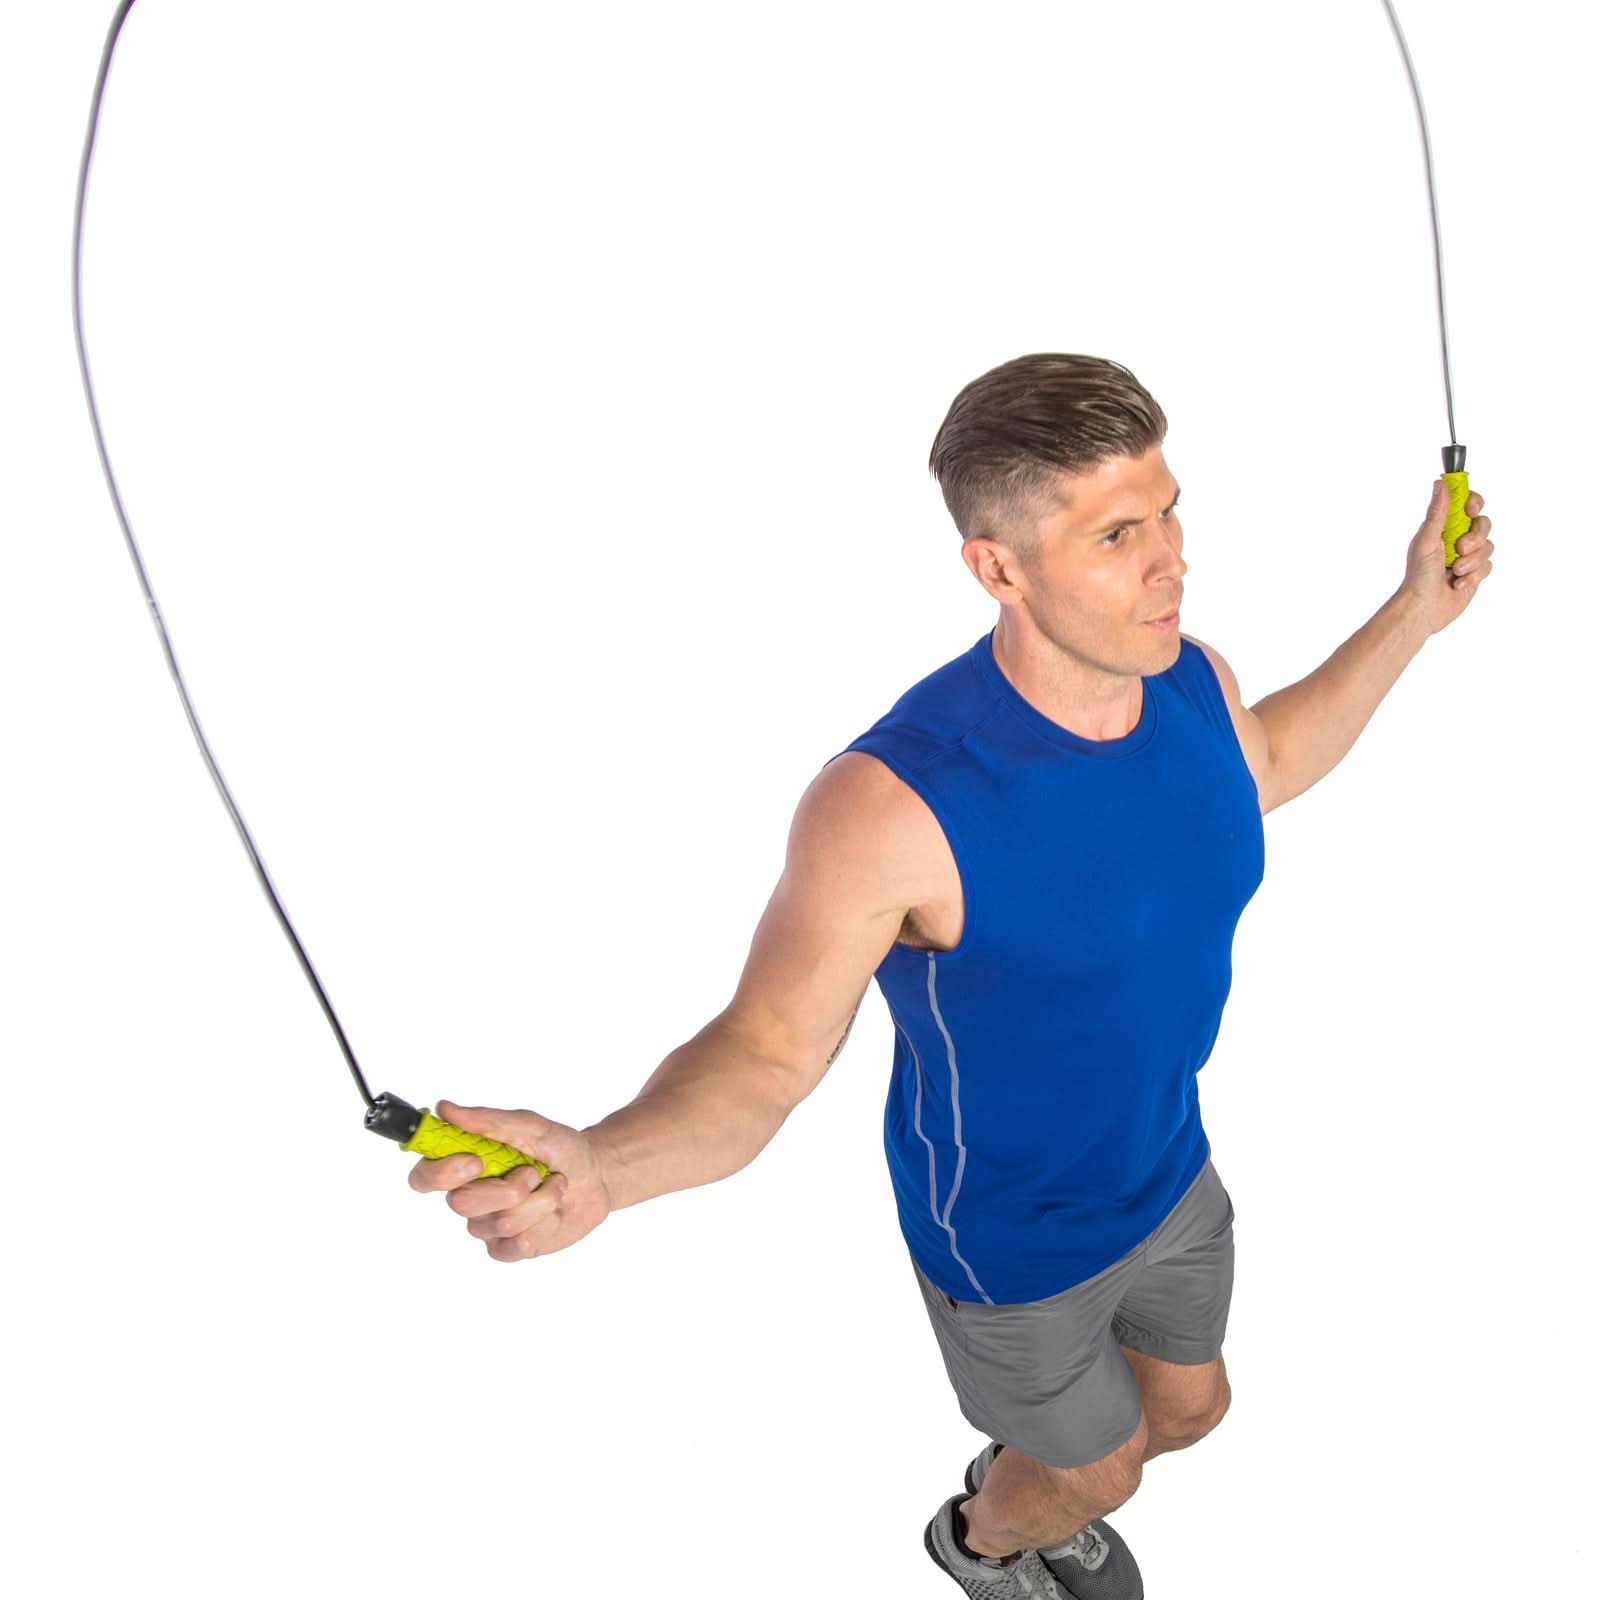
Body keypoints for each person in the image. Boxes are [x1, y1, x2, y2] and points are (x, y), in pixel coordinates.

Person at [407, 353, 1494, 1598]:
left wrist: (1413, 610)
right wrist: (605, 1163)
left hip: (1167, 1167)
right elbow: (766, 1052)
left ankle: (1043, 1468)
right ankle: (983, 1538)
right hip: (1010, 1239)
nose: (1171, 561)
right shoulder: (895, 802)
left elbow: (1265, 764)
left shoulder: (1189, 680)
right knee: (1103, 1469)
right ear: (998, 568)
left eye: (1169, 511)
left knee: (1191, 1413)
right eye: (1117, 535)